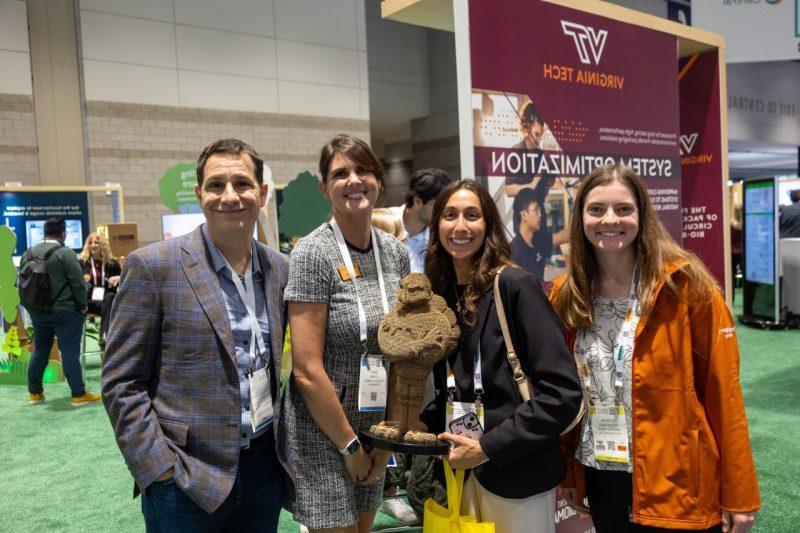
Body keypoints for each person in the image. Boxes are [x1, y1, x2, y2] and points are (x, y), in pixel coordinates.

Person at [549, 164, 760, 533]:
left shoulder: (685, 287)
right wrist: (570, 472)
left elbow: (724, 393)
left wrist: (739, 494)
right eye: (596, 209)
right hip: (602, 473)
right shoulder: (568, 295)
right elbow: (566, 392)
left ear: (642, 215)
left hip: (676, 480)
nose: (609, 219)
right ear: (580, 216)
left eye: (623, 208)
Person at [102, 139, 289, 532]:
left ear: (263, 192)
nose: (230, 196)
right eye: (216, 185)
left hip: (263, 470)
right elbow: (121, 382)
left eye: (242, 183)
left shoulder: (280, 270)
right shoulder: (154, 267)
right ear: (198, 193)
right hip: (185, 476)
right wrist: (158, 469)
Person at [419, 180, 583, 533]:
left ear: (489, 226)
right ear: (437, 227)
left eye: (472, 215)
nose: (460, 226)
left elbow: (563, 395)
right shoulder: (442, 296)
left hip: (517, 476)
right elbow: (457, 389)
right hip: (461, 476)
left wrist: (488, 447)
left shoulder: (515, 286)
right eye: (450, 215)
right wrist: (416, 425)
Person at [282, 134, 410, 532]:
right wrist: (349, 444)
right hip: (323, 428)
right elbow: (305, 368)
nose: (354, 180)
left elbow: (402, 350)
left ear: (378, 181)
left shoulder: (395, 252)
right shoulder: (311, 254)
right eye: (341, 173)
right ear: (324, 188)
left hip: (374, 425)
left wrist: (382, 440)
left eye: (363, 170)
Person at [22, 217, 99, 407]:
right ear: (63, 234)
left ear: (45, 233)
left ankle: (35, 393)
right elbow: (78, 283)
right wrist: (83, 307)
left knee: (40, 350)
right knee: (69, 353)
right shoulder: (64, 253)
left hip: (39, 312)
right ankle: (78, 394)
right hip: (66, 312)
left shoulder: (28, 253)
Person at [389, 168, 456, 273]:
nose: (442, 212)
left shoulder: (436, 237)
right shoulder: (383, 221)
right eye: (437, 206)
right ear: (417, 201)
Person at [78, 232, 121, 348]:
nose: (93, 245)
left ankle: (104, 335)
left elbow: (126, 281)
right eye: (91, 243)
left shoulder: (112, 264)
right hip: (89, 302)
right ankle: (105, 335)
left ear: (103, 245)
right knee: (110, 302)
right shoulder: (82, 263)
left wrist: (119, 278)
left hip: (107, 303)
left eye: (96, 242)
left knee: (111, 297)